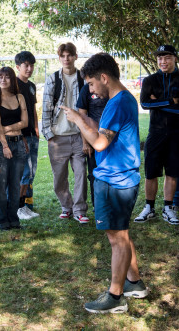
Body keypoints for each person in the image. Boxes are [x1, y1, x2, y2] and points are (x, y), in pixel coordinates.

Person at [62, 52, 148, 314]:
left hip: (116, 179)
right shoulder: (120, 100)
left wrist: (77, 120)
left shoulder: (118, 102)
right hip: (117, 177)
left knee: (117, 239)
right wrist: (85, 121)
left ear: (103, 77)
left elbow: (100, 142)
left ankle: (115, 296)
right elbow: (103, 133)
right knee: (121, 233)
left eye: (91, 84)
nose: (90, 90)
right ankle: (134, 283)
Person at [41, 42, 89, 223]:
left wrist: (86, 136)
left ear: (76, 56)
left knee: (80, 174)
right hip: (57, 136)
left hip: (78, 135)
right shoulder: (53, 78)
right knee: (59, 179)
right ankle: (66, 206)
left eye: (70, 55)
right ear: (59, 58)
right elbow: (46, 107)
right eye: (63, 56)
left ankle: (79, 210)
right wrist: (48, 134)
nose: (66, 59)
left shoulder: (83, 78)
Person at [135, 45, 179, 225]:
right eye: (159, 58)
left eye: (167, 57)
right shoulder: (150, 80)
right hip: (156, 132)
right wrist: (171, 102)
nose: (163, 61)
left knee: (172, 171)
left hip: (176, 133)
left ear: (175, 58)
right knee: (151, 171)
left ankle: (168, 208)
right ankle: (149, 207)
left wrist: (157, 102)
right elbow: (145, 104)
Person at [0, 67, 28, 230]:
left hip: (18, 143)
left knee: (15, 184)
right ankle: (2, 220)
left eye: (7, 77)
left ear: (12, 79)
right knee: (0, 185)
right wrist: (5, 145)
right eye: (0, 77)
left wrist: (5, 128)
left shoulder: (19, 97)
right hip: (0, 145)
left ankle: (14, 219)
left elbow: (25, 123)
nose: (3, 80)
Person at [15, 51, 40, 220]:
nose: (29, 68)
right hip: (19, 136)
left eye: (31, 65)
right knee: (23, 172)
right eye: (26, 65)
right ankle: (18, 207)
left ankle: (26, 205)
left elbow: (33, 110)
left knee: (31, 172)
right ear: (18, 67)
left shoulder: (31, 86)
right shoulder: (13, 85)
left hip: (32, 134)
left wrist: (37, 129)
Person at [76, 83, 108, 207]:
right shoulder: (86, 90)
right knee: (94, 174)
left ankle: (110, 205)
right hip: (93, 138)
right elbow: (82, 116)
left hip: (112, 139)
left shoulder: (111, 88)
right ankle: (98, 206)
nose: (91, 88)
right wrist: (85, 143)